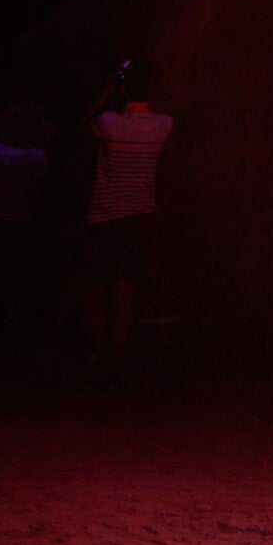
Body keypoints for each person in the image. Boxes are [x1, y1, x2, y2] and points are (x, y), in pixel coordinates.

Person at [83, 64, 172, 379]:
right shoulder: (163, 124)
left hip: (105, 216)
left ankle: (100, 347)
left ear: (123, 88)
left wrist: (106, 91)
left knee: (93, 287)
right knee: (125, 288)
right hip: (140, 217)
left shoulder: (109, 122)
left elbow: (86, 123)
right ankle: (116, 355)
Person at [0, 103, 50, 359]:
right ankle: (10, 339)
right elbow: (41, 191)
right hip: (19, 223)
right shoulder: (36, 157)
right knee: (15, 281)